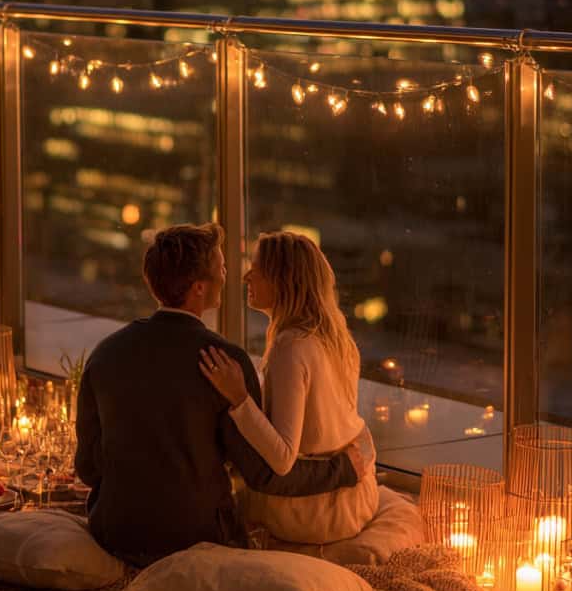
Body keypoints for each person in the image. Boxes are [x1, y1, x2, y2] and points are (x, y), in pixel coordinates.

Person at [74, 222, 364, 566]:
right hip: (197, 538)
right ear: (198, 288)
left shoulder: (106, 353)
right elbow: (263, 474)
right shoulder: (223, 364)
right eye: (222, 268)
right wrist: (342, 470)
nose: (232, 277)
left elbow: (88, 468)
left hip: (115, 532)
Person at [199, 231, 378, 546]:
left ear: (284, 281)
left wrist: (238, 398)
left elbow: (282, 458)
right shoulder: (334, 338)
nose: (245, 276)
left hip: (314, 513)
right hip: (358, 498)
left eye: (257, 269)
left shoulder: (291, 346)